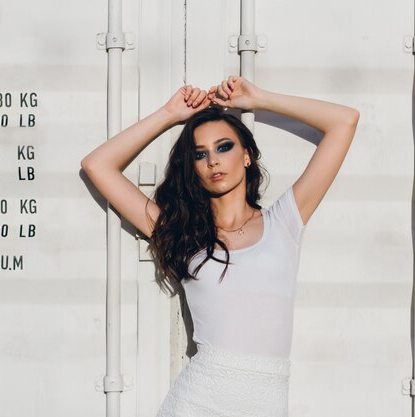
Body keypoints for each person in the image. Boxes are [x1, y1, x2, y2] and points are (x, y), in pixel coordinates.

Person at [81, 75, 359, 417]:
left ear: (247, 156)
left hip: (267, 402)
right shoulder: (181, 234)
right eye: (201, 154)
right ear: (193, 169)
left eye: (224, 147)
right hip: (197, 402)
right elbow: (97, 165)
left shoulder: (284, 221)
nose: (213, 161)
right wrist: (169, 114)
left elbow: (344, 121)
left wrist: (258, 98)